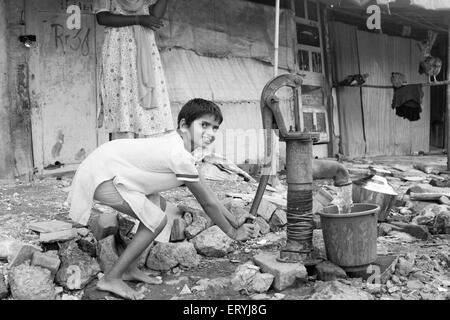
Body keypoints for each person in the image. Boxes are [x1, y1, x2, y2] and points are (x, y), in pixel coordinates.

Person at [67, 98, 257, 300]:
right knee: (156, 220)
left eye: (215, 128)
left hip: (113, 171)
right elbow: (207, 203)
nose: (210, 133)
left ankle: (129, 269)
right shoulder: (178, 155)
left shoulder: (184, 150)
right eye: (204, 125)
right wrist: (233, 233)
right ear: (184, 125)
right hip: (101, 176)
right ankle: (111, 278)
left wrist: (235, 221)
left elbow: (208, 193)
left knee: (155, 207)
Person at [94, 0, 174, 139]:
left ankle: (147, 149)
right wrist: (139, 19)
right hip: (119, 48)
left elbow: (155, 16)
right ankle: (124, 144)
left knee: (146, 95)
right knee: (122, 95)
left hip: (145, 49)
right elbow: (102, 17)